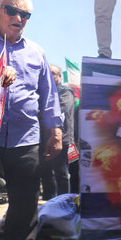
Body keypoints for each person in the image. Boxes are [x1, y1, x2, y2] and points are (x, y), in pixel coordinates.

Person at [0, 0, 62, 240]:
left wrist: (54, 130)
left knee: (25, 199)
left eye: (25, 15)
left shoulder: (36, 52)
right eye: (12, 11)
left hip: (25, 135)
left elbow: (48, 95)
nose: (19, 18)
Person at [40, 65, 75, 199]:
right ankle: (49, 203)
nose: (49, 75)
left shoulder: (65, 91)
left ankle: (64, 201)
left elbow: (61, 111)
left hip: (62, 140)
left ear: (60, 76)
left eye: (53, 73)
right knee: (46, 173)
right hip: (45, 139)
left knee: (61, 174)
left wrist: (40, 113)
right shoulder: (44, 92)